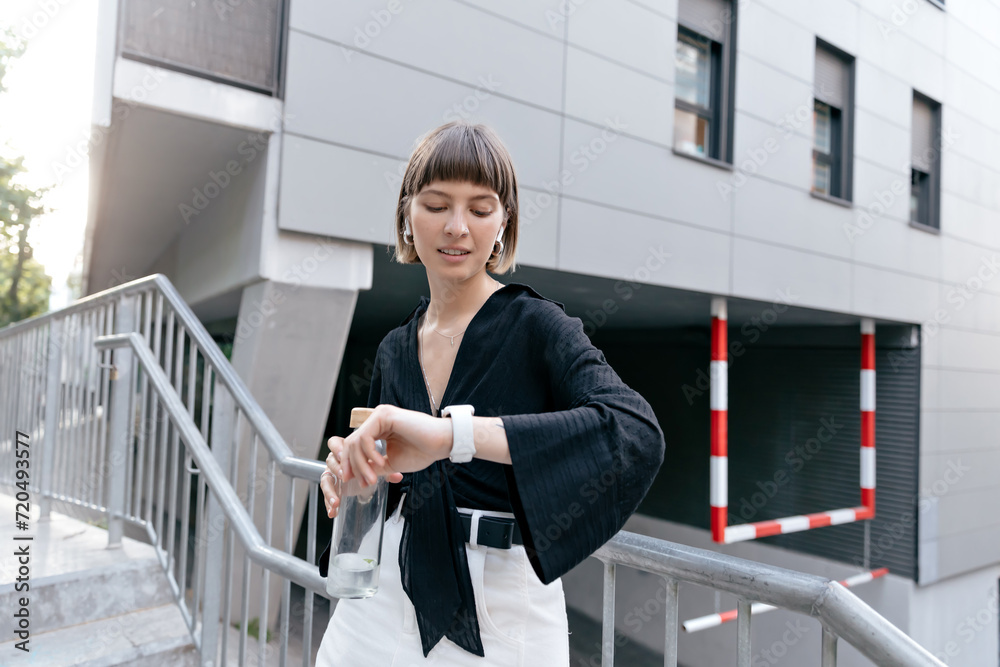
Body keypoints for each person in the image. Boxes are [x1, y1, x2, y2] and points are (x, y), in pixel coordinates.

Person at [315, 120, 665, 666]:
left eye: (480, 209)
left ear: (503, 223)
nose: (457, 227)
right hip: (382, 589)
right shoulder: (394, 348)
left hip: (501, 608)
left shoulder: (539, 326)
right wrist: (351, 473)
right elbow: (388, 476)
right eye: (436, 204)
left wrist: (453, 436)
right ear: (408, 214)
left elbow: (633, 432)